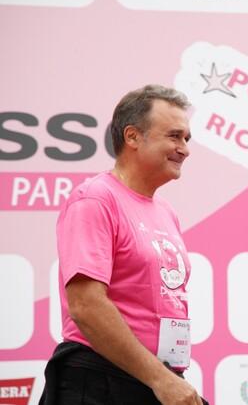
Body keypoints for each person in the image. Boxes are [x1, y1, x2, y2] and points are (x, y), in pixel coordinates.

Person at [40, 85, 206, 405]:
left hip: (153, 380)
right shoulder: (95, 199)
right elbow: (86, 305)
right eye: (174, 136)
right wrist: (161, 379)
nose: (185, 149)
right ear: (132, 137)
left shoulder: (165, 211)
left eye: (187, 138)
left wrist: (164, 379)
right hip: (99, 381)